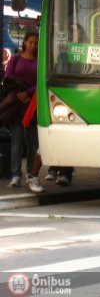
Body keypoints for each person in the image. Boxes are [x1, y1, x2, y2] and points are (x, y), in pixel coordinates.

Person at [6, 29, 39, 188]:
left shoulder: (39, 60)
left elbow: (40, 81)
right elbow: (8, 78)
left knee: (33, 142)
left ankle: (31, 173)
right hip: (17, 104)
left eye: (36, 43)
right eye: (30, 42)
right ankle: (15, 174)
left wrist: (28, 93)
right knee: (16, 141)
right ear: (25, 42)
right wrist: (18, 93)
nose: (33, 45)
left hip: (33, 103)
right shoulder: (15, 59)